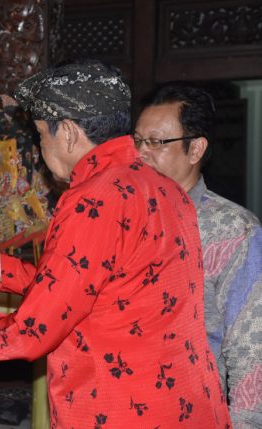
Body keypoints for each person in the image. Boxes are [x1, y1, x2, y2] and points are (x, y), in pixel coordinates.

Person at [0, 60, 232, 428]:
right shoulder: (166, 188)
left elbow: (31, 333)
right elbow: (102, 294)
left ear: (69, 133)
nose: (41, 149)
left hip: (122, 412)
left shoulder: (94, 198)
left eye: (41, 134)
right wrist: (4, 268)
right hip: (186, 404)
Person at [134, 81, 262, 428]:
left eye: (156, 142)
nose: (141, 153)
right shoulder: (123, 218)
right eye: (137, 141)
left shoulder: (232, 229)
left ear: (195, 149)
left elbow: (251, 349)